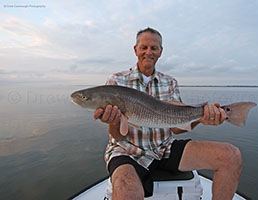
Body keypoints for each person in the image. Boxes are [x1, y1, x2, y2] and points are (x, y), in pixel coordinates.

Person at [93, 27, 242, 200]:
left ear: (160, 52)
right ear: (135, 50)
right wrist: (113, 121)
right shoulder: (116, 81)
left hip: (164, 148)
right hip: (127, 151)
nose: (148, 52)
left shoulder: (170, 82)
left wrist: (201, 118)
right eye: (144, 47)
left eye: (154, 48)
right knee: (129, 193)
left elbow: (177, 129)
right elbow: (117, 136)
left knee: (231, 156)